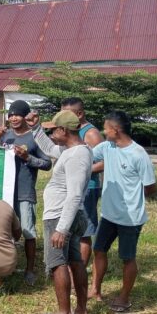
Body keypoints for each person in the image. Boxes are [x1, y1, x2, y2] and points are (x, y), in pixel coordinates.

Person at [27, 110, 92, 314]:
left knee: (58, 264)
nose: (51, 132)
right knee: (75, 261)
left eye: (53, 129)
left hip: (60, 217)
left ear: (64, 130)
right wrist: (35, 128)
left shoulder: (77, 156)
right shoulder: (70, 149)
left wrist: (61, 229)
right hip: (68, 216)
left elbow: (74, 194)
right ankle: (81, 311)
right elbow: (50, 148)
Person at [88, 111, 156, 313]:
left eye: (106, 127)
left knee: (127, 258)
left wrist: (131, 197)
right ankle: (95, 290)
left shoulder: (138, 154)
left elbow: (150, 187)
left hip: (130, 218)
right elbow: (88, 155)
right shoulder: (107, 147)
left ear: (116, 130)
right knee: (99, 250)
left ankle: (124, 298)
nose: (103, 131)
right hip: (108, 214)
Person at [0, 100, 52, 285]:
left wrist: (28, 158)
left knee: (28, 232)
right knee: (5, 231)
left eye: (17, 114)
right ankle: (6, 267)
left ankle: (30, 269)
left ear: (26, 116)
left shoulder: (33, 137)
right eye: (10, 115)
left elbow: (47, 163)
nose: (13, 118)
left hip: (25, 193)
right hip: (5, 193)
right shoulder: (6, 136)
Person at [60, 97, 104, 267]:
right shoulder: (70, 129)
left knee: (84, 232)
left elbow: (104, 162)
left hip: (88, 188)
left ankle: (80, 270)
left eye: (67, 114)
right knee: (71, 227)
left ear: (79, 113)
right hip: (71, 187)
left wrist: (83, 171)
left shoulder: (91, 133)